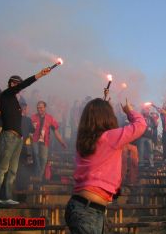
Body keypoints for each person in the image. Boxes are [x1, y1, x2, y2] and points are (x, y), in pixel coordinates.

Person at [65, 98, 146, 233]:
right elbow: (141, 125)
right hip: (88, 210)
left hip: (81, 207)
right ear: (108, 117)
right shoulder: (110, 137)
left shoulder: (83, 141)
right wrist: (129, 111)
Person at [0, 69, 52, 204]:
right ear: (12, 84)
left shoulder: (14, 102)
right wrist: (39, 75)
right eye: (18, 84)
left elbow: (6, 116)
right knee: (2, 168)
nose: (20, 88)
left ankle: (6, 197)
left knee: (12, 170)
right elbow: (23, 86)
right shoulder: (6, 95)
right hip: (8, 136)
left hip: (17, 138)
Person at [31, 100, 67, 180]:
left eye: (41, 107)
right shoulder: (33, 117)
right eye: (38, 108)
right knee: (36, 155)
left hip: (45, 142)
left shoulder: (50, 118)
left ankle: (38, 178)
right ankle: (36, 176)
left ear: (45, 108)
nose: (39, 109)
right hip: (35, 140)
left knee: (43, 160)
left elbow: (56, 132)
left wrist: (62, 142)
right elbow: (28, 130)